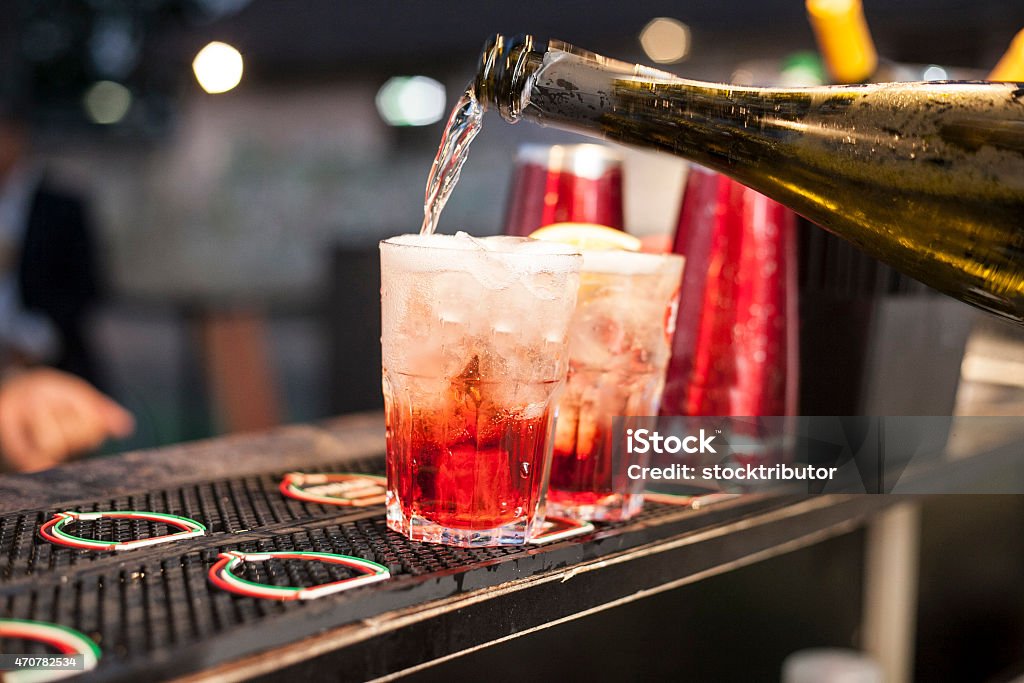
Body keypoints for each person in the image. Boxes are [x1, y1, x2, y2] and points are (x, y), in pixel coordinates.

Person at [0, 101, 133, 472]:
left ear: (16, 136)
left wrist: (33, 339)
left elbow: (87, 286)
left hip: (54, 360)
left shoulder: (62, 203)